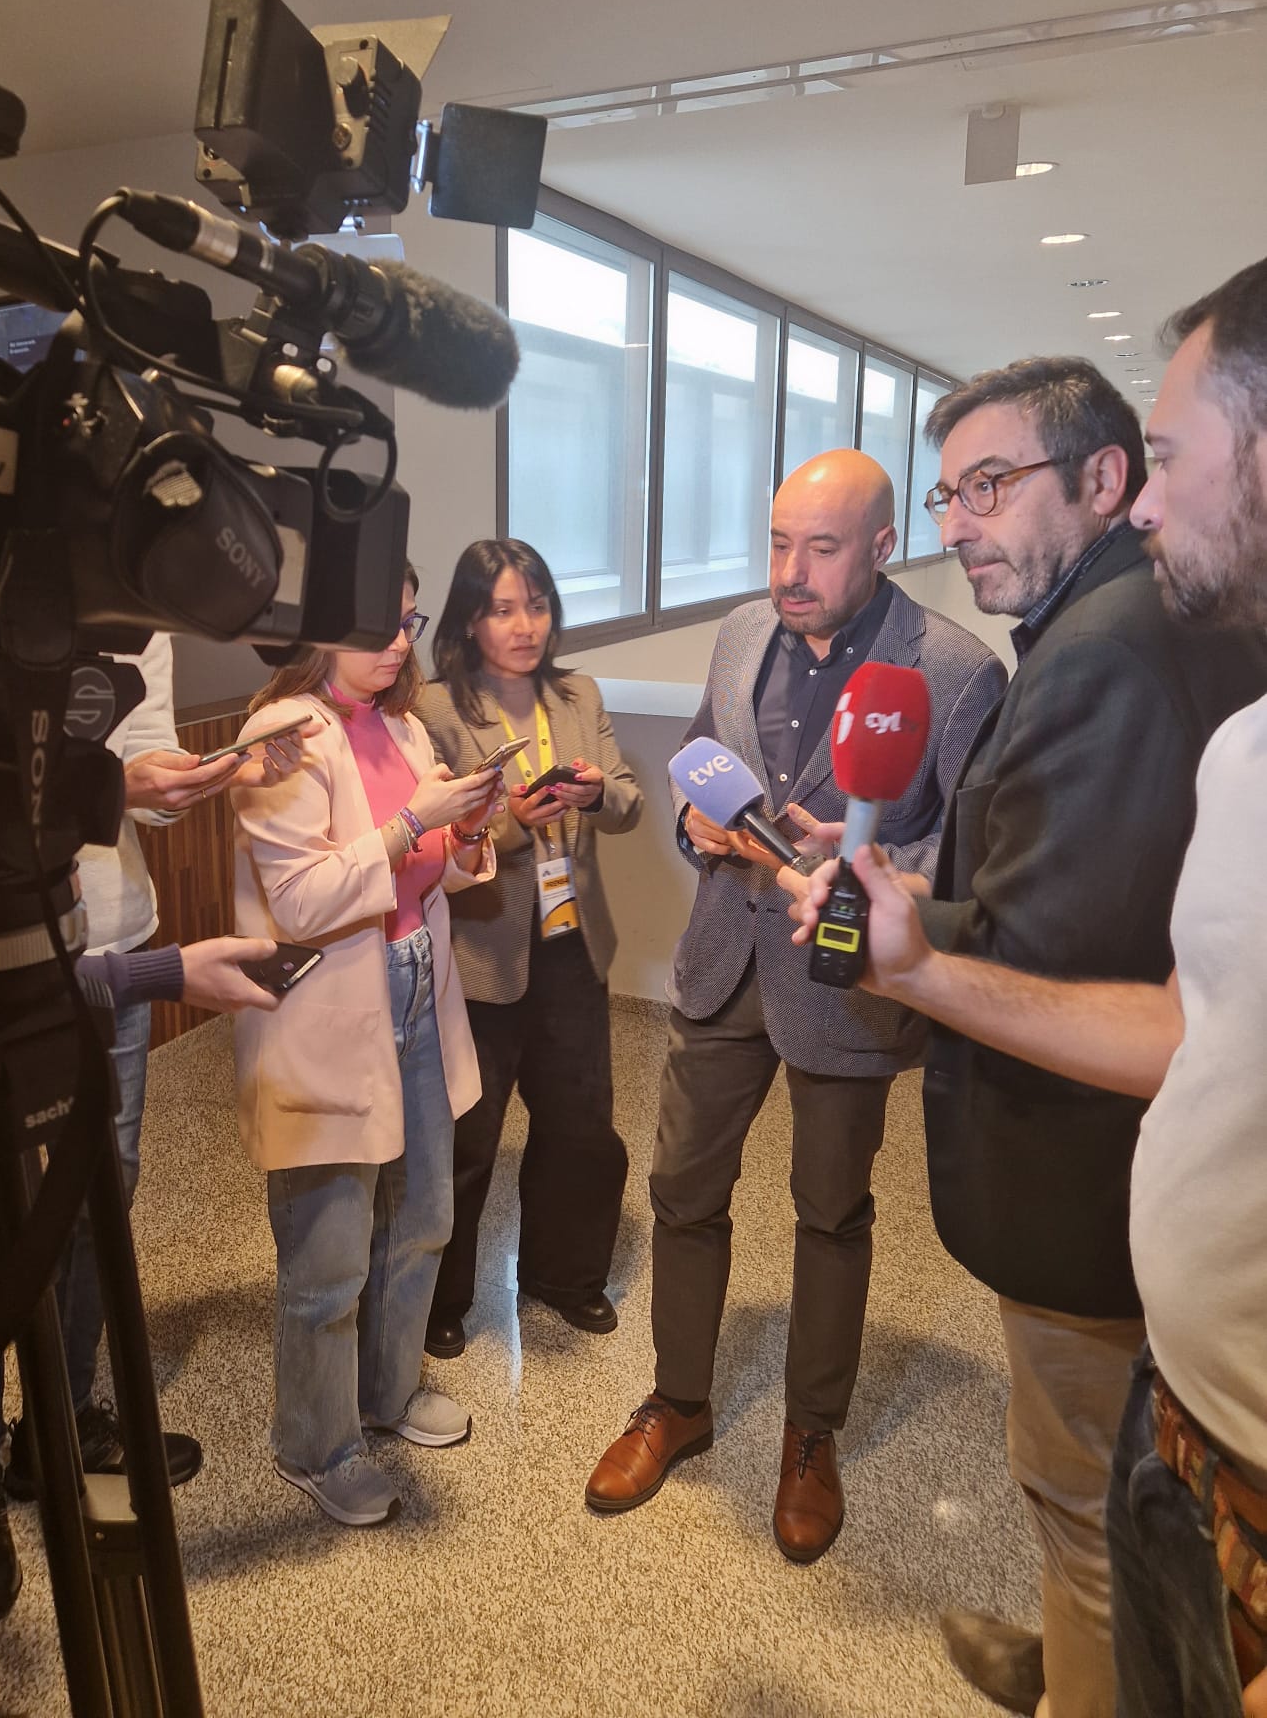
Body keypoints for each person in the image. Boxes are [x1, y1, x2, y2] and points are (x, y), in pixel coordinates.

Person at [789, 260, 1267, 1718]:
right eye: (947, 499)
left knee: (1086, 1511)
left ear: (1106, 473)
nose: (957, 528)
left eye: (988, 488)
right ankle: (1071, 1655)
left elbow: (1055, 960)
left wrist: (912, 946)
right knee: (1088, 1507)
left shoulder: (1110, 655)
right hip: (1156, 1264)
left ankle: (1084, 1678)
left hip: (1078, 1192)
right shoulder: (1136, 630)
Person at [586, 450, 1006, 1564]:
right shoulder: (738, 635)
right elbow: (694, 768)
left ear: (880, 545)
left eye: (821, 546)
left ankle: (810, 1433)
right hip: (723, 958)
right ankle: (678, 1399)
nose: (792, 568)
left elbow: (968, 851)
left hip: (844, 986)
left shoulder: (956, 670)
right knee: (682, 1187)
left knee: (830, 1210)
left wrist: (863, 861)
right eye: (779, 540)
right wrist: (695, 831)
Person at [0, 632, 307, 1624]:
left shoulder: (135, 604)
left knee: (101, 1190)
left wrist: (189, 776)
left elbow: (142, 762)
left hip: (114, 929)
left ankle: (61, 1426)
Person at [230, 570, 505, 1527]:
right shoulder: (283, 734)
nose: (397, 643)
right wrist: (411, 824)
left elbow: (423, 875)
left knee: (423, 1211)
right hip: (329, 1006)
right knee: (330, 1249)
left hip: (416, 977)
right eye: (375, 623)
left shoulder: (405, 725)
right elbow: (301, 901)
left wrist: (463, 841)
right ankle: (314, 1441)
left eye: (407, 622)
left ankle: (386, 1396)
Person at [415, 539, 643, 1356]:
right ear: (470, 620)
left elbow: (627, 803)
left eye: (537, 605)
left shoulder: (577, 693)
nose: (525, 625)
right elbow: (439, 837)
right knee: (466, 1142)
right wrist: (515, 820)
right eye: (503, 609)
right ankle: (439, 1299)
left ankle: (563, 1276)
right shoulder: (436, 710)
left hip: (571, 947)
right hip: (482, 956)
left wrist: (594, 792)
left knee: (582, 1127)